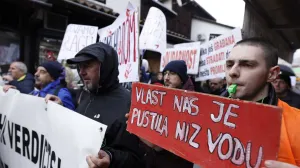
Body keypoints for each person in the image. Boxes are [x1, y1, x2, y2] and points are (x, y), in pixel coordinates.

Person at [46, 43, 144, 168]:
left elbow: (137, 159)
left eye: (87, 65)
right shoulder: (87, 96)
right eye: (79, 66)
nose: (81, 72)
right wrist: (61, 110)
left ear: (105, 67)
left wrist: (111, 157)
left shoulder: (130, 104)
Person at [222, 37, 300, 167]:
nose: (232, 72)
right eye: (229, 64)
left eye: (247, 65)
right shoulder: (208, 114)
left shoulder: (297, 123)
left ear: (272, 74)